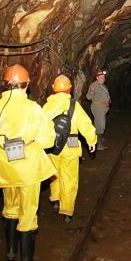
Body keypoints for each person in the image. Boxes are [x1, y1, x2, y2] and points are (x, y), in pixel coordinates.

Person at [0, 64, 56, 261]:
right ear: (27, 84)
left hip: (5, 166)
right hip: (29, 168)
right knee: (28, 211)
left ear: (6, 84)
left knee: (10, 207)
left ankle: (11, 251)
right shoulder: (32, 108)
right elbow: (48, 141)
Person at [43, 75, 97, 222]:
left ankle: (55, 199)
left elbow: (40, 127)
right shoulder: (74, 105)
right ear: (69, 90)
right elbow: (85, 124)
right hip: (71, 145)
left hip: (52, 146)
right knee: (70, 178)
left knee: (54, 174)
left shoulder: (46, 106)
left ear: (54, 89)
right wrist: (92, 140)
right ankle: (67, 211)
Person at [86, 69, 110, 150]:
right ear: (97, 78)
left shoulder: (103, 85)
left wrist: (108, 100)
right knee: (100, 126)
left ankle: (99, 138)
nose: (102, 78)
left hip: (103, 108)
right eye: (100, 77)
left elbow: (106, 95)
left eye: (103, 77)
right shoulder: (94, 85)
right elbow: (88, 97)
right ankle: (98, 145)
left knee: (100, 124)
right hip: (97, 107)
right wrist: (92, 92)